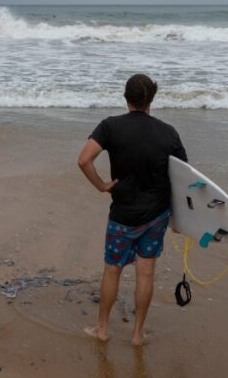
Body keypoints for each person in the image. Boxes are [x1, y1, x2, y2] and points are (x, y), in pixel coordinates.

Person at [77, 74, 187, 346]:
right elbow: (184, 178)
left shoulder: (110, 126)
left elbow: (83, 160)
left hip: (123, 215)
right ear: (152, 99)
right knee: (146, 272)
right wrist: (181, 218)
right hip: (156, 215)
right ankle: (138, 333)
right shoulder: (168, 132)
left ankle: (101, 329)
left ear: (125, 98)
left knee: (112, 270)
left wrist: (102, 185)